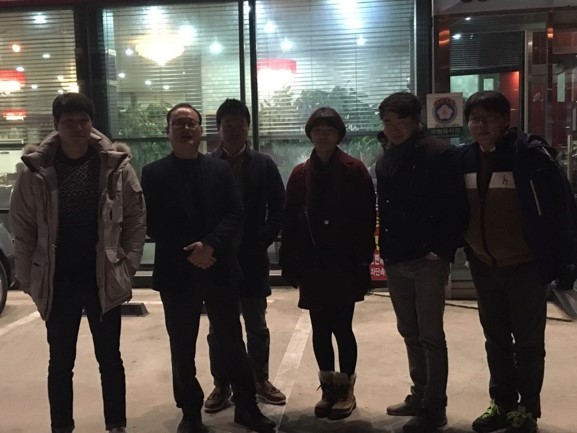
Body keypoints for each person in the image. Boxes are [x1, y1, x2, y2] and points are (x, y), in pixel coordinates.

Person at [9, 93, 146, 433]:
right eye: (68, 121)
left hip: (102, 275)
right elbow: (23, 226)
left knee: (110, 358)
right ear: (56, 124)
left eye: (83, 121)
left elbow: (135, 218)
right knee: (60, 361)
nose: (77, 128)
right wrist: (26, 275)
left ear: (91, 123)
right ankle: (61, 427)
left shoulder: (115, 166)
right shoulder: (36, 170)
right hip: (58, 279)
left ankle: (116, 425)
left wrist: (128, 264)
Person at [140, 102, 276, 433]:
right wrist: (193, 251)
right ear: (168, 130)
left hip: (219, 268)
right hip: (177, 272)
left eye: (192, 123)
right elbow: (152, 223)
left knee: (231, 340)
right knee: (181, 346)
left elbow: (236, 212)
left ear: (201, 130)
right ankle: (190, 413)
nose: (186, 128)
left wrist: (210, 245)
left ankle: (246, 407)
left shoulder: (219, 169)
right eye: (179, 123)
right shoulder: (153, 173)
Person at [458, 91, 577, 433]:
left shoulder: (529, 156)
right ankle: (501, 402)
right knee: (495, 339)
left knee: (528, 343)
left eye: (489, 118)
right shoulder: (463, 159)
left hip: (525, 265)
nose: (481, 125)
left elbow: (561, 211)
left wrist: (565, 263)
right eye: (475, 119)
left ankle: (527, 409)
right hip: (484, 265)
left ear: (505, 121)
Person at [375, 92, 467, 433]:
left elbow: (456, 207)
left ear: (416, 122)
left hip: (427, 260)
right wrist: (385, 251)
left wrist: (441, 250)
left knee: (430, 335)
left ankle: (434, 407)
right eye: (388, 122)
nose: (394, 128)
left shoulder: (439, 154)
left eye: (401, 122)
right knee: (409, 330)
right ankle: (419, 393)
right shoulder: (385, 157)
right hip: (396, 257)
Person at [280, 107, 376, 420]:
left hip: (345, 264)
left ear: (338, 135)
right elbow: (290, 221)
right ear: (310, 134)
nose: (323, 135)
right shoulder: (300, 174)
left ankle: (346, 388)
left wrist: (364, 264)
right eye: (318, 130)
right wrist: (288, 261)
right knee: (320, 328)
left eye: (329, 130)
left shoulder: (354, 169)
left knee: (343, 327)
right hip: (312, 264)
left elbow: (366, 220)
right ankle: (329, 388)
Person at [205, 98, 286, 412]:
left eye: (239, 124)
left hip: (252, 258)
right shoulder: (207, 164)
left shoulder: (264, 164)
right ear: (219, 128)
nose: (234, 130)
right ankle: (221, 384)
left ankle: (259, 380)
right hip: (218, 259)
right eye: (228, 125)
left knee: (256, 325)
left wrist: (262, 240)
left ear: (248, 127)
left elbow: (279, 209)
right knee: (218, 329)